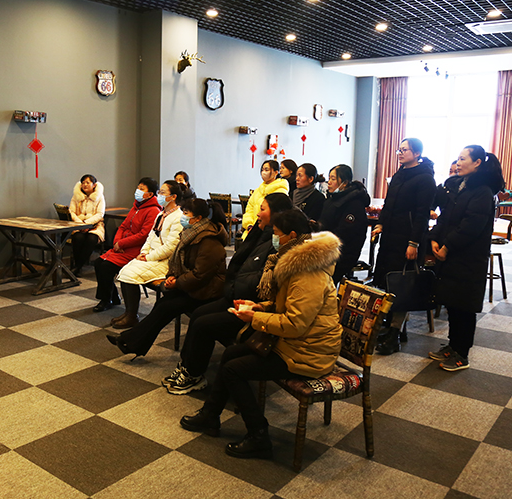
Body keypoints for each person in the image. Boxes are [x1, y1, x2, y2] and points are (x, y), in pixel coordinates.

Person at [179, 209, 342, 459]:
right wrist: (259, 307)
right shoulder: (297, 264)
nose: (273, 239)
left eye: (276, 233)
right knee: (231, 354)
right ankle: (210, 415)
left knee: (234, 370)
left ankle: (259, 436)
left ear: (292, 236)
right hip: (295, 343)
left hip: (309, 353)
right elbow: (285, 306)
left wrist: (255, 318)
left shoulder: (308, 274)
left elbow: (295, 324)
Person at [163, 193, 293, 394]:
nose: (258, 214)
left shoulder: (277, 243)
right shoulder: (260, 233)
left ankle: (193, 374)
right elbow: (241, 266)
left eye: (262, 209)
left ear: (277, 214)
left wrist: (237, 290)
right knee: (198, 314)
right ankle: (187, 366)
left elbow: (258, 281)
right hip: (236, 295)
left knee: (204, 324)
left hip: (254, 307)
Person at [107, 198, 228, 357]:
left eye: (186, 213)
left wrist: (177, 282)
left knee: (166, 306)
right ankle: (131, 343)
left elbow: (200, 275)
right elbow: (177, 261)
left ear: (198, 218)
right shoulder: (191, 233)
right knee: (163, 304)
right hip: (193, 287)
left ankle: (129, 342)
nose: (182, 216)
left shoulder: (209, 241)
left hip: (206, 292)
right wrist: (172, 276)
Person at [427, 145, 504, 371]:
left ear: (477, 162)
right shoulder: (459, 186)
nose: (458, 163)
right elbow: (445, 218)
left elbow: (471, 226)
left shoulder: (483, 191)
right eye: (458, 159)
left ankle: (462, 353)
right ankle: (452, 345)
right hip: (451, 255)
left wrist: (447, 246)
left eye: (463, 159)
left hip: (468, 258)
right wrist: (434, 239)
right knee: (452, 302)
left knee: (464, 306)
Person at [371, 137, 436, 355]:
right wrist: (381, 223)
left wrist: (413, 243)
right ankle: (391, 327)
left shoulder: (425, 178)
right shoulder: (399, 174)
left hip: (408, 239)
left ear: (417, 154)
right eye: (399, 149)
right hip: (391, 236)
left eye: (405, 150)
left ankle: (395, 333)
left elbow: (421, 215)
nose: (400, 153)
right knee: (388, 281)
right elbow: (389, 204)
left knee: (403, 286)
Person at [111, 180, 184, 329]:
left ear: (173, 197)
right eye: (159, 192)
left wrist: (148, 257)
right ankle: (129, 312)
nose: (159, 195)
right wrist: (144, 252)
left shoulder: (178, 218)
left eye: (163, 192)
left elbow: (171, 247)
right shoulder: (161, 214)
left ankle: (132, 316)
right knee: (125, 271)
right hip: (151, 257)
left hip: (166, 262)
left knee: (129, 274)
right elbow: (150, 237)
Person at [92, 177, 161, 312]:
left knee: (106, 267)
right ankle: (113, 297)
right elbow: (123, 226)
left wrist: (122, 243)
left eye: (142, 189)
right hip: (123, 247)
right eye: (138, 188)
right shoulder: (136, 207)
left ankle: (106, 300)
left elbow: (144, 235)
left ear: (150, 194)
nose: (138, 191)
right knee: (98, 263)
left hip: (136, 250)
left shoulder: (153, 211)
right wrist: (117, 242)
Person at [319, 164, 370, 285]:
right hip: (326, 246)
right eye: (329, 178)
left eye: (333, 179)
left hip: (342, 252)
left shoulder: (354, 204)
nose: (329, 182)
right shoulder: (332, 198)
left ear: (345, 183)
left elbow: (344, 233)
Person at [241, 160, 290, 240]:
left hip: (269, 233)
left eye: (266, 170)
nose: (263, 172)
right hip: (252, 231)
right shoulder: (257, 191)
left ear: (275, 172)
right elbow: (249, 210)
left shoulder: (280, 191)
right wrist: (249, 225)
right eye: (262, 170)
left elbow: (278, 216)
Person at [68, 174, 106, 274]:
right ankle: (78, 266)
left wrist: (87, 224)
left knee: (91, 239)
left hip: (95, 226)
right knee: (78, 238)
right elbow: (72, 212)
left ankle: (78, 266)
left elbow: (100, 214)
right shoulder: (76, 196)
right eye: (83, 183)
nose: (85, 185)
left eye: (88, 183)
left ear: (94, 185)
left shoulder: (99, 197)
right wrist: (81, 224)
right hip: (79, 225)